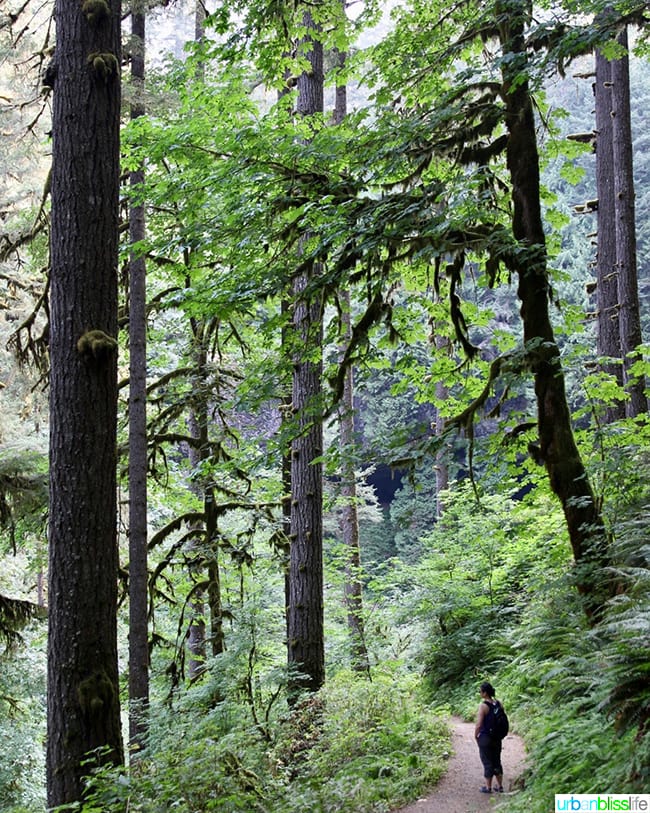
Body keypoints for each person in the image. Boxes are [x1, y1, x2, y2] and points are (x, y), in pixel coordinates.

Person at [475, 680, 505, 793]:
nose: (480, 693)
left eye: (480, 691)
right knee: (497, 760)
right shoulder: (498, 703)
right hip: (497, 737)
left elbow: (479, 724)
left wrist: (476, 735)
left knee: (487, 761)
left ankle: (488, 787)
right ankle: (500, 786)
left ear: (485, 693)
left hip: (486, 737)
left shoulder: (483, 706)